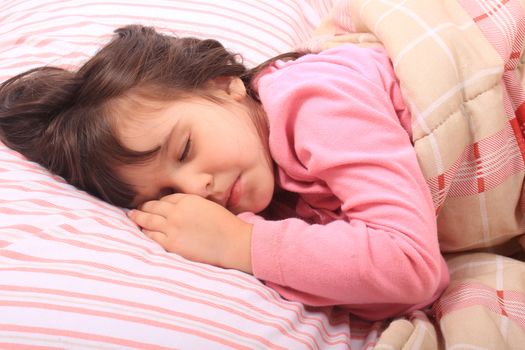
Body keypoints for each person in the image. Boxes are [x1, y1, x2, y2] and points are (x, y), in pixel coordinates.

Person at [0, 25, 448, 320]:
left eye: (185, 148)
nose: (197, 187)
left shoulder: (312, 100)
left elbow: (411, 266)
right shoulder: (266, 189)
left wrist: (242, 245)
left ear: (224, 84)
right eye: (167, 192)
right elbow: (397, 295)